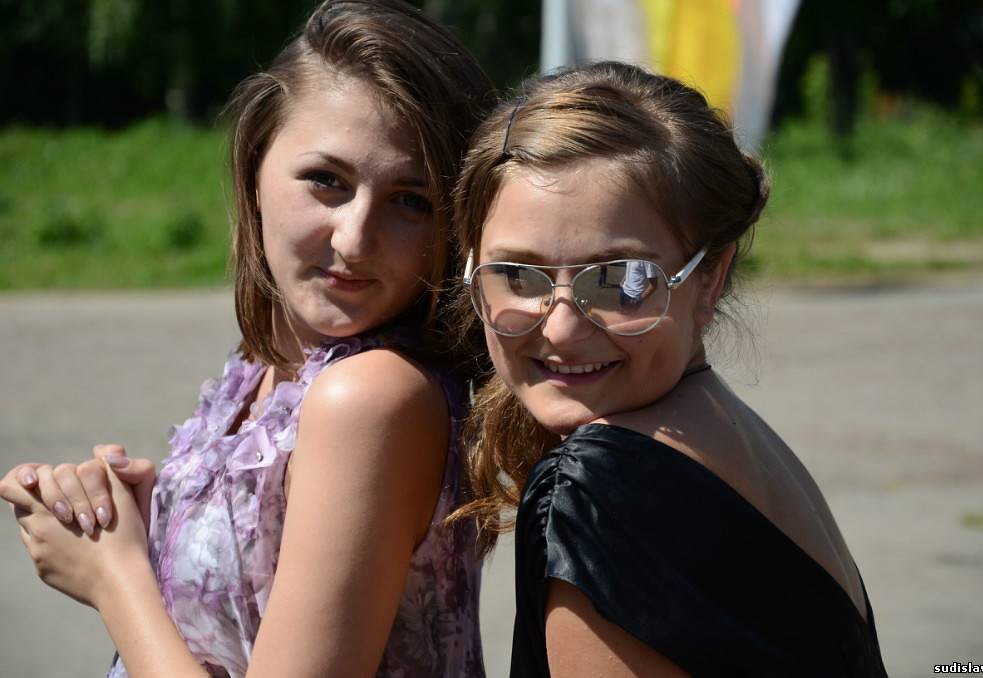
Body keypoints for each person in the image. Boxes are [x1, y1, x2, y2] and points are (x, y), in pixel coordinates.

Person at [0, 1, 493, 676]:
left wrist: (112, 578)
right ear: (256, 164)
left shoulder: (369, 396)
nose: (355, 239)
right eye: (326, 181)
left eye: (412, 200)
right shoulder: (270, 362)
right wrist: (146, 528)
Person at [451, 62, 888, 677]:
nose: (561, 329)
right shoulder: (732, 435)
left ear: (708, 277)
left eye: (622, 279)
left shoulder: (602, 492)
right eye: (518, 276)